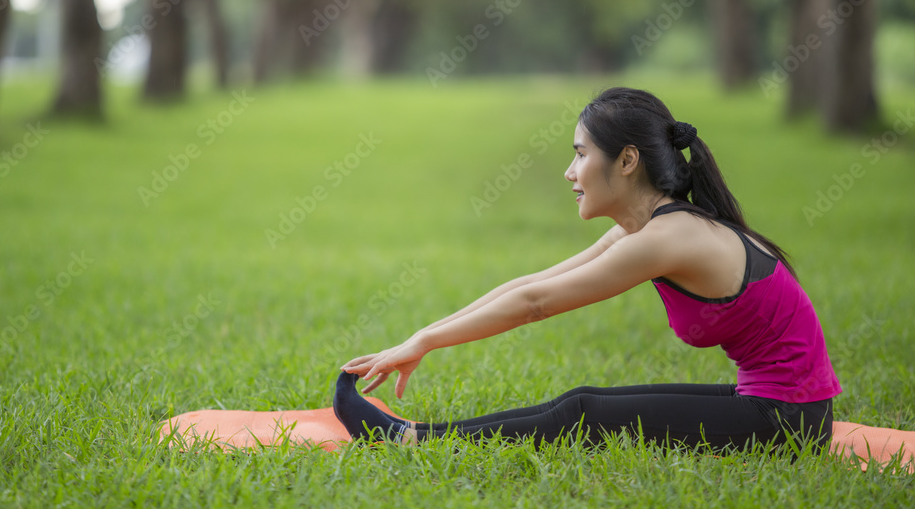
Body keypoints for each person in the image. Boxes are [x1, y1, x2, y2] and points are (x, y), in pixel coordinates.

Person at [333, 87, 841, 454]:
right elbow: (532, 285)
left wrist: (423, 344)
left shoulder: (668, 238)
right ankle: (413, 435)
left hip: (788, 420)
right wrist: (422, 335)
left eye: (580, 155)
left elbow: (536, 307)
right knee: (582, 403)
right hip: (776, 403)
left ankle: (408, 439)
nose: (570, 173)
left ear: (626, 161)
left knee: (584, 416)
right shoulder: (649, 228)